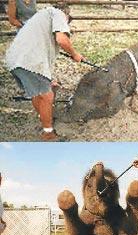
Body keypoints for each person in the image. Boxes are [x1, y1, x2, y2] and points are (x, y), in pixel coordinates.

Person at [5, 3, 84, 141]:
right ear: (66, 15)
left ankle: (44, 120)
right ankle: (48, 134)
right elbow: (62, 39)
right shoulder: (58, 14)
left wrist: (49, 78)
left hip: (14, 59)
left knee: (38, 93)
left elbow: (43, 47)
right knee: (47, 96)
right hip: (28, 61)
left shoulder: (41, 17)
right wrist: (75, 54)